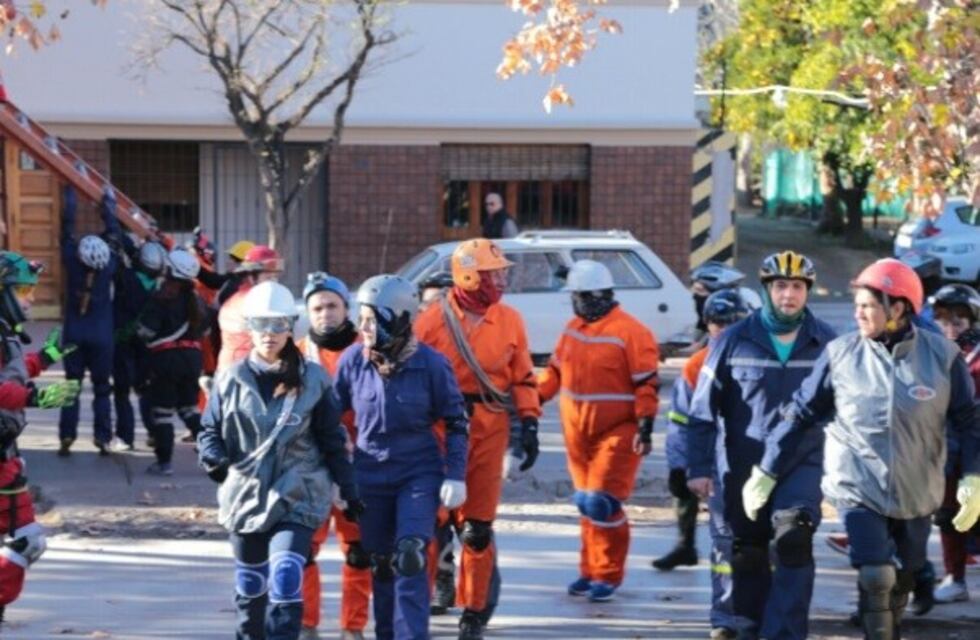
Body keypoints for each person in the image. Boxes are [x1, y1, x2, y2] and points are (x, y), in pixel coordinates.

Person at [743, 258, 980, 640]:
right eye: (857, 304)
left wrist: (973, 475)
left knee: (903, 575)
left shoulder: (943, 357)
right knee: (875, 575)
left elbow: (970, 422)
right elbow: (801, 413)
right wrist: (767, 470)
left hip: (918, 489)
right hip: (858, 485)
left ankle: (894, 613)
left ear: (898, 308)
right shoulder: (840, 354)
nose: (858, 313)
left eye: (867, 305)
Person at [686, 250, 836, 640]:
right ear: (767, 289)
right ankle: (749, 628)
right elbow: (702, 410)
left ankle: (784, 634)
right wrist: (699, 468)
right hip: (741, 464)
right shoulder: (734, 341)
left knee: (793, 536)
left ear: (808, 291)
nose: (789, 295)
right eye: (781, 286)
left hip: (800, 464)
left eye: (798, 287)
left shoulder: (827, 343)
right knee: (748, 551)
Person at [199, 280, 360, 640]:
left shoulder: (314, 379)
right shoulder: (230, 379)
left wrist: (348, 487)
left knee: (287, 577)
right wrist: (213, 457)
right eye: (260, 324)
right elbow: (209, 430)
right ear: (249, 328)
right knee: (251, 587)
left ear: (291, 327)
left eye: (277, 325)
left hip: (298, 491)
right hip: (245, 493)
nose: (269, 334)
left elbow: (332, 439)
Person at [415, 238, 540, 640]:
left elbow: (522, 377)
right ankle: (421, 598)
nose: (501, 280)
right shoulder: (431, 321)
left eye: (502, 272)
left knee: (476, 529)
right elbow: (410, 375)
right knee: (430, 526)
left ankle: (474, 611)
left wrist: (530, 423)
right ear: (469, 275)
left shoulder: (510, 320)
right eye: (494, 273)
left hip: (488, 426)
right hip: (439, 429)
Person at [334, 274, 468, 640]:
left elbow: (457, 422)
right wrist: (336, 474)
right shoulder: (352, 361)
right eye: (360, 317)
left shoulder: (431, 364)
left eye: (371, 318)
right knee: (382, 565)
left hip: (418, 473)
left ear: (397, 317)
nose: (362, 326)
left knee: (410, 556)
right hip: (368, 474)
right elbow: (329, 420)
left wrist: (455, 475)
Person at [537, 259, 659, 601]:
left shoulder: (630, 333)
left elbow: (646, 384)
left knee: (600, 503)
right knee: (585, 504)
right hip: (578, 432)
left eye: (578, 296)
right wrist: (528, 403)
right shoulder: (574, 328)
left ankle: (607, 574)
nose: (575, 302)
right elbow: (554, 374)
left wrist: (646, 425)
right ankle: (589, 571)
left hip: (618, 430)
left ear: (596, 295)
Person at [0, 252, 81, 625]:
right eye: (23, 289)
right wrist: (34, 396)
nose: (31, 297)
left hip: (8, 458)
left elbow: (13, 372)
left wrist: (45, 358)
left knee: (25, 541)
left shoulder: (6, 334)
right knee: (25, 542)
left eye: (32, 288)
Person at [296, 272, 371, 640]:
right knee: (304, 549)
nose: (325, 313)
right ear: (307, 313)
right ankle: (307, 624)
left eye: (332, 306)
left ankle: (352, 627)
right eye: (317, 307)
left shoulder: (368, 349)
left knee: (359, 550)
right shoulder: (295, 353)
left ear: (346, 308)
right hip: (310, 466)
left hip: (358, 464)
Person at [925, 283, 980, 603]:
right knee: (948, 516)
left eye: (957, 322)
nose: (949, 329)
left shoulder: (974, 360)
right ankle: (954, 577)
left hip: (975, 450)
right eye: (943, 322)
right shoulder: (932, 356)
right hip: (944, 450)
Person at [58, 186, 119, 456]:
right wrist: (107, 206)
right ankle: (103, 437)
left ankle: (67, 435)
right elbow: (114, 234)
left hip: (74, 334)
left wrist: (70, 196)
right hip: (102, 336)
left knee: (71, 386)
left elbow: (67, 228)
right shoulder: (108, 267)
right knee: (102, 389)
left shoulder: (71, 261)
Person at [136, 248, 209, 476]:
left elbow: (146, 332)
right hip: (192, 360)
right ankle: (213, 453)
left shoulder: (162, 298)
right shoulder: (197, 300)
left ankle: (164, 462)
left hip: (166, 361)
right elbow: (205, 329)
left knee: (163, 413)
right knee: (189, 409)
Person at [111, 238, 167, 451]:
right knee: (145, 389)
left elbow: (119, 255)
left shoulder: (125, 277)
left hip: (121, 340)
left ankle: (125, 437)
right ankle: (153, 432)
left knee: (122, 391)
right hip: (147, 343)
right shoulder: (160, 287)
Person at [216, 245, 283, 374]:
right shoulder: (256, 301)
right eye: (268, 277)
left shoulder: (236, 298)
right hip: (247, 374)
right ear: (251, 276)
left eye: (275, 277)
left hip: (231, 370)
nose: (274, 282)